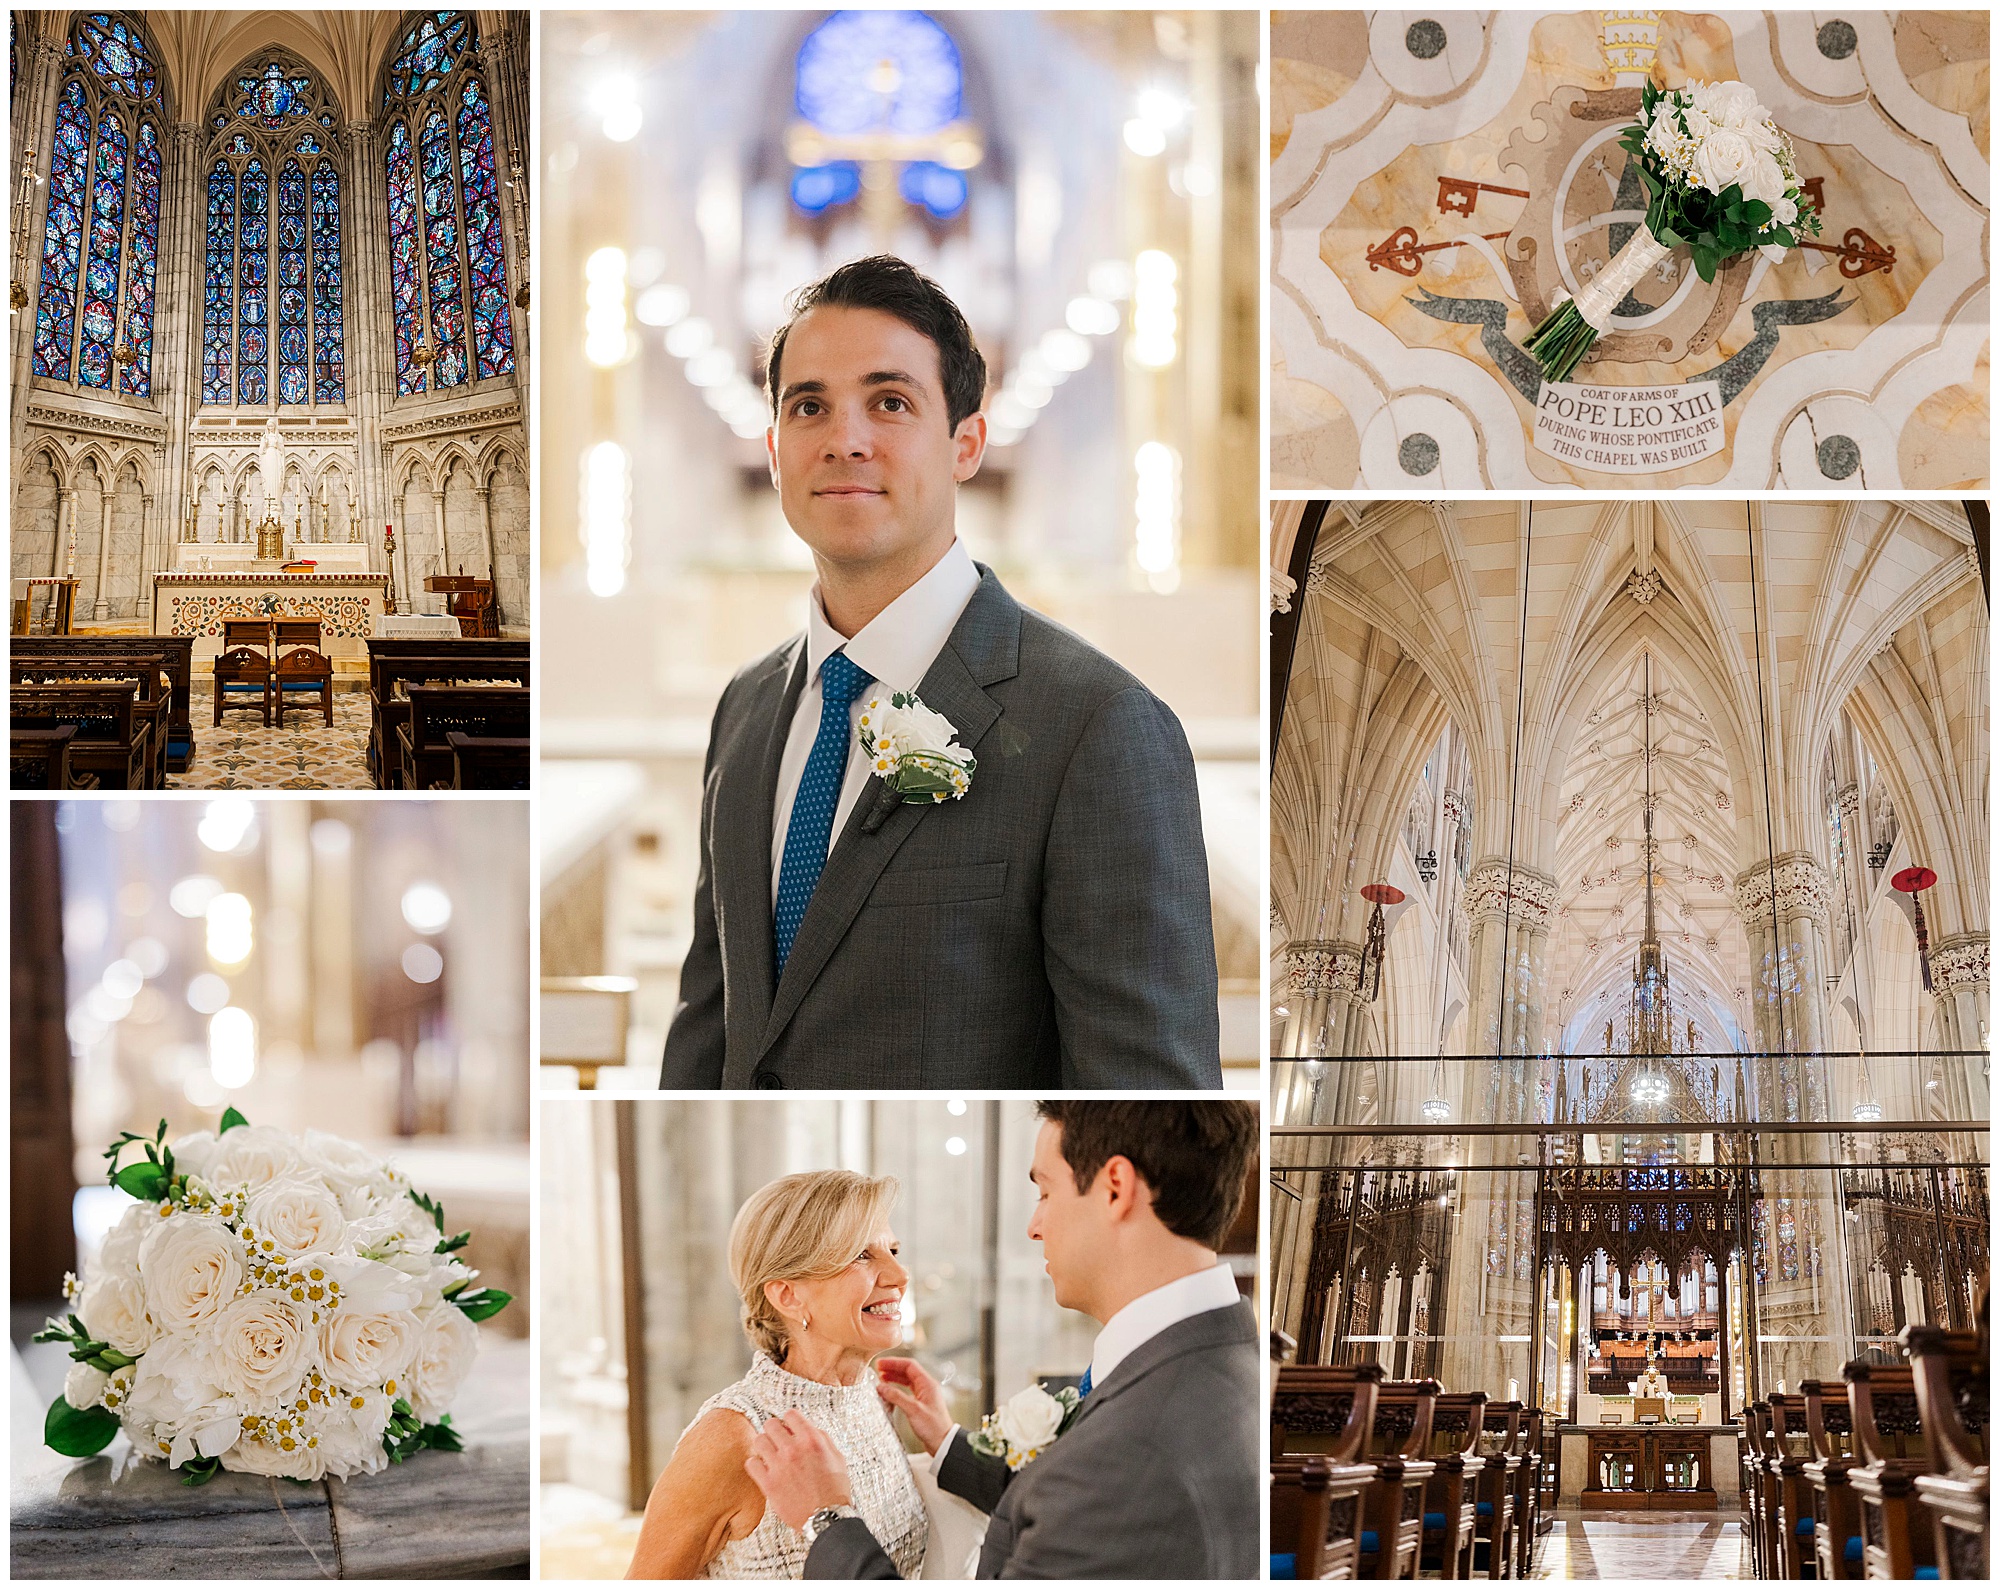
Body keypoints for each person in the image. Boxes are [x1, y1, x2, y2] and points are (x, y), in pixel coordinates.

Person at [659, 255, 1220, 1091]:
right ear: (776, 452)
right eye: (809, 406)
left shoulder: (1098, 726)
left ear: (965, 443)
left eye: (890, 403)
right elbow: (711, 1030)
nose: (844, 439)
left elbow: (1143, 1091)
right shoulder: (743, 709)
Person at [743, 1101, 1260, 1579]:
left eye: (1045, 1192)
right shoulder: (1218, 1359)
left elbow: (1102, 1493)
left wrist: (826, 1519)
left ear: (1115, 1188)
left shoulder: (1136, 1452)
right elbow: (1074, 1519)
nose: (1035, 1226)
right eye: (861, 1253)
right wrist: (949, 1444)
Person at [625, 1171, 929, 1579]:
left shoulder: (871, 1394)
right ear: (788, 1295)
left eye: (893, 1249)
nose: (900, 1275)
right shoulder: (732, 1435)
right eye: (862, 1254)